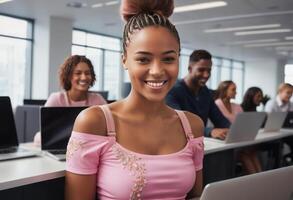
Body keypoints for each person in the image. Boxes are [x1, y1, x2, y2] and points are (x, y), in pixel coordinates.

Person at [65, 1, 204, 200]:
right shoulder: (95, 122)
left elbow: (195, 196)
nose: (157, 71)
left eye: (168, 59)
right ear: (124, 60)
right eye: (143, 59)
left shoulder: (192, 125)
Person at [33, 55, 107, 146]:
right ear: (69, 76)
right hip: (60, 148)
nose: (84, 77)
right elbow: (44, 135)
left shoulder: (97, 100)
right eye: (78, 73)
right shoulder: (56, 99)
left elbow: (110, 129)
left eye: (87, 73)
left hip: (90, 148)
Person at [166, 49, 230, 139]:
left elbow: (219, 119)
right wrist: (210, 131)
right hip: (177, 142)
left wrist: (231, 129)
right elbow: (179, 123)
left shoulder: (205, 92)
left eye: (209, 70)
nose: (206, 75)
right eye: (201, 70)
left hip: (199, 142)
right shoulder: (173, 90)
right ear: (190, 68)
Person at [215, 81, 262, 174]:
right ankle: (257, 179)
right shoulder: (216, 104)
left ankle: (261, 177)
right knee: (244, 153)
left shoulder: (236, 106)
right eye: (233, 90)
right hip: (223, 139)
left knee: (252, 151)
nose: (236, 92)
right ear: (224, 90)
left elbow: (243, 123)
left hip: (238, 137)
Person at [265, 83, 293, 165]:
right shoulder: (271, 104)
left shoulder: (290, 104)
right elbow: (269, 121)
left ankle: (286, 161)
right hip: (273, 132)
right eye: (288, 92)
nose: (290, 95)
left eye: (291, 93)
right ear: (280, 92)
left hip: (286, 132)